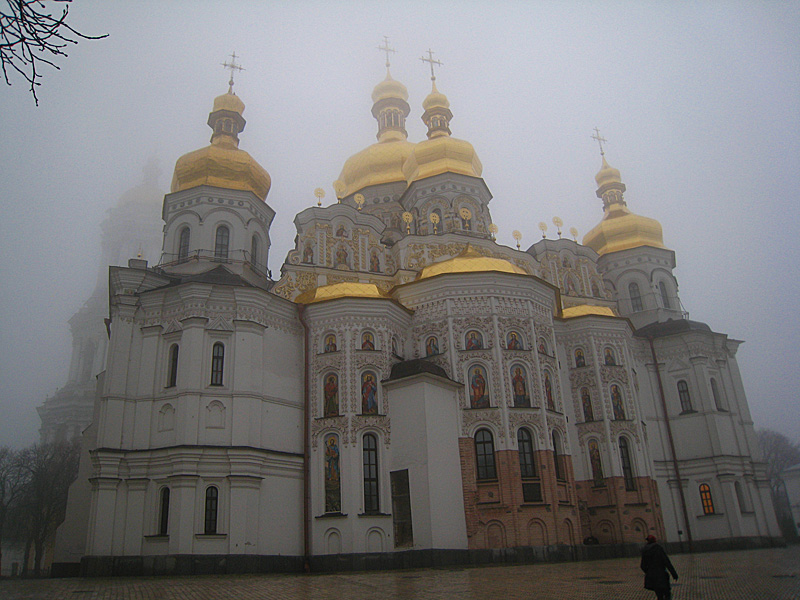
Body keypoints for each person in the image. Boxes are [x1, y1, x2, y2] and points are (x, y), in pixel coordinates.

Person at [640, 535, 678, 600]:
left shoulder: (645, 550)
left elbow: (642, 565)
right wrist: (674, 574)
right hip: (661, 575)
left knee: (659, 595)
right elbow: (666, 562)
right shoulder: (658, 548)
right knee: (667, 594)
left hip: (652, 576)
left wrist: (649, 572)